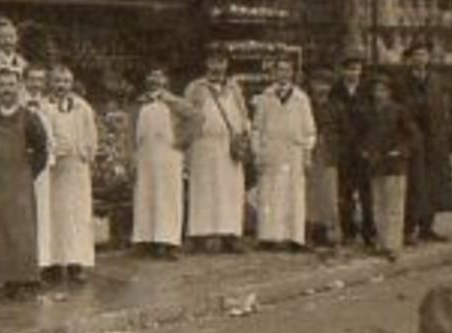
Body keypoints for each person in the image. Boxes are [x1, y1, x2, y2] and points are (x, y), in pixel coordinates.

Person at [0, 67, 49, 297]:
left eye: (11, 85)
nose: (7, 90)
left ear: (18, 88)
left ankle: (20, 281)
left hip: (20, 181)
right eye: (2, 85)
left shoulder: (29, 118)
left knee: (21, 230)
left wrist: (28, 173)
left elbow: (41, 150)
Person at [184, 47, 250, 252]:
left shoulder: (234, 88)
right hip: (203, 147)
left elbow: (243, 112)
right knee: (204, 189)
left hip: (229, 147)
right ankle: (200, 235)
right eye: (213, 62)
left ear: (226, 64)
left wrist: (244, 132)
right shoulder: (195, 87)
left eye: (221, 62)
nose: (217, 66)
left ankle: (231, 234)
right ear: (206, 64)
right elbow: (186, 115)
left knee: (231, 190)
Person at [251, 60, 317, 252]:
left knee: (293, 195)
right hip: (271, 151)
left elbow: (310, 131)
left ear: (292, 73)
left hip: (293, 154)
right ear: (273, 73)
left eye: (287, 70)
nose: (283, 73)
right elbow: (256, 128)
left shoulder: (301, 98)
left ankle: (294, 237)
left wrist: (307, 153)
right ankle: (267, 237)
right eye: (279, 70)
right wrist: (258, 152)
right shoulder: (265, 97)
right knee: (268, 195)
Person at [43, 65, 99, 282]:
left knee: (76, 214)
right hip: (54, 170)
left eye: (65, 81)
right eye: (57, 81)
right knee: (55, 215)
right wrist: (52, 151)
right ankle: (55, 264)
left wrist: (86, 151)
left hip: (76, 168)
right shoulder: (44, 107)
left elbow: (91, 134)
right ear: (51, 83)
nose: (61, 86)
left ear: (71, 84)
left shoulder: (82, 107)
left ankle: (76, 263)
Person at [130, 69, 194, 260]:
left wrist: (182, 141)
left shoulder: (176, 102)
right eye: (152, 76)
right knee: (145, 196)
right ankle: (145, 240)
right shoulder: (139, 103)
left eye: (160, 76)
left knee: (168, 198)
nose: (155, 80)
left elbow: (196, 118)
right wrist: (130, 155)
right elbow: (131, 130)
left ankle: (168, 242)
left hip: (168, 155)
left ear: (167, 81)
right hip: (145, 155)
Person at [396, 42, 452, 244]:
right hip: (413, 140)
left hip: (435, 141)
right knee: (414, 185)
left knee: (433, 184)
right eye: (417, 55)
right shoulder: (401, 82)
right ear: (410, 58)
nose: (421, 59)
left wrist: (444, 131)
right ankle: (408, 229)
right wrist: (411, 131)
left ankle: (427, 228)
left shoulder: (436, 80)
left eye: (424, 55)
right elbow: (401, 111)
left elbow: (443, 108)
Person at [362, 75, 417, 261]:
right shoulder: (368, 112)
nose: (379, 94)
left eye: (383, 90)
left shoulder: (399, 111)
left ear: (390, 92)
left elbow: (413, 136)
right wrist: (363, 150)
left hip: (394, 164)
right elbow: (362, 135)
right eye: (376, 90)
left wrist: (400, 151)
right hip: (376, 165)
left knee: (394, 206)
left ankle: (393, 245)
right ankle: (382, 242)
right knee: (378, 204)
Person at [333, 54, 376, 248]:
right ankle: (348, 230)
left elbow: (373, 120)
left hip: (363, 150)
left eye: (356, 69)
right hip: (343, 151)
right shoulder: (336, 91)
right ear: (343, 71)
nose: (353, 73)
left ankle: (369, 231)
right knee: (345, 193)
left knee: (367, 194)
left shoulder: (368, 92)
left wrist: (367, 145)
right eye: (349, 69)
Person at [23, 65, 57, 275]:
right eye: (32, 79)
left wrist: (48, 161)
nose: (36, 84)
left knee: (43, 213)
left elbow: (52, 137)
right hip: (21, 167)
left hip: (42, 166)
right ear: (24, 81)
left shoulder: (49, 107)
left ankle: (42, 264)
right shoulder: (17, 104)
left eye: (40, 80)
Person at [305, 76, 344, 249]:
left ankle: (330, 231)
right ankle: (312, 230)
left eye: (325, 84)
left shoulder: (337, 107)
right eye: (318, 83)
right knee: (310, 194)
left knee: (329, 194)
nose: (321, 88)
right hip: (310, 153)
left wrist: (335, 146)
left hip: (329, 154)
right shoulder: (305, 105)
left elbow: (345, 131)